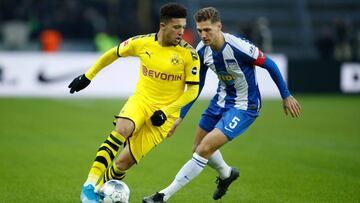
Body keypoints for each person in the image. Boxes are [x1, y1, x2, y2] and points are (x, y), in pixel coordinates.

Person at [143, 7, 301, 203]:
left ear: (219, 27)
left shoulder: (239, 47)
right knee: (196, 148)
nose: (204, 35)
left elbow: (270, 64)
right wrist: (180, 116)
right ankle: (227, 174)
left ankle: (163, 196)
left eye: (208, 30)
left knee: (204, 149)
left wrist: (286, 96)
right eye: (200, 31)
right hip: (220, 100)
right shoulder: (201, 50)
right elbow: (196, 86)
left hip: (245, 106)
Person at [68, 3, 200, 203]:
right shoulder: (143, 43)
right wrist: (88, 76)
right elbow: (113, 53)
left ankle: (101, 190)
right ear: (163, 26)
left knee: (123, 163)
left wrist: (166, 111)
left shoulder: (189, 54)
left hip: (165, 115)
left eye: (183, 27)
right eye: (176, 27)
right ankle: (89, 185)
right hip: (141, 100)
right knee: (122, 128)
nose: (181, 32)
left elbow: (192, 91)